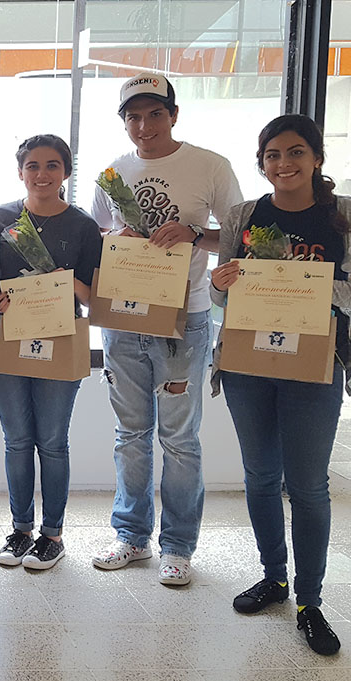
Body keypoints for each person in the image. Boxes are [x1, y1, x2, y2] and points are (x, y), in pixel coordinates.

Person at [210, 114, 351, 655]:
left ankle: (311, 601)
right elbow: (223, 299)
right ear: (261, 162)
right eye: (272, 155)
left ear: (316, 158)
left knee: (308, 485)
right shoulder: (244, 214)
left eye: (294, 153)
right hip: (247, 364)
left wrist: (314, 289)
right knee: (261, 476)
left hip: (315, 365)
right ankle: (275, 578)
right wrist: (222, 285)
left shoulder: (349, 215)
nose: (283, 164)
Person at [91, 74, 243, 585]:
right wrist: (120, 236)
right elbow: (98, 237)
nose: (144, 125)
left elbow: (240, 242)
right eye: (133, 116)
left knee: (180, 438)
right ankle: (131, 537)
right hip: (125, 316)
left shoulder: (209, 166)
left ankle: (178, 546)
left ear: (173, 115)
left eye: (154, 114)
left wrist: (196, 234)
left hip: (187, 317)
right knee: (130, 433)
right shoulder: (113, 171)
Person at [0, 135, 101, 571]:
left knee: (52, 442)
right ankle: (20, 530)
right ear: (20, 172)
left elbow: (96, 298)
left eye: (52, 165)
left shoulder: (83, 226)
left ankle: (52, 535)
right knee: (17, 441)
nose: (42, 174)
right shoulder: (0, 218)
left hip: (60, 340)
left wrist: (65, 280)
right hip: (5, 336)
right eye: (32, 166)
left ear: (66, 172)